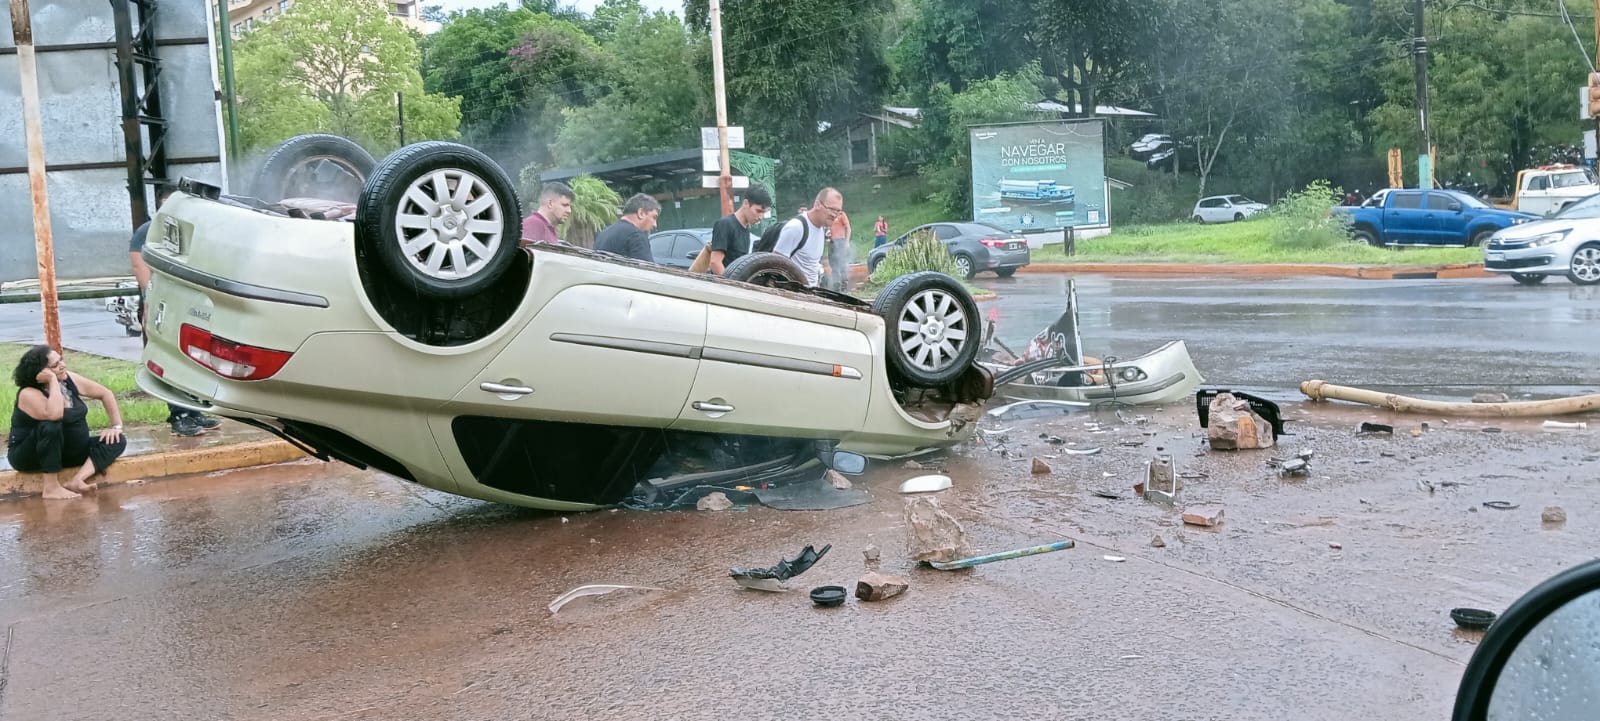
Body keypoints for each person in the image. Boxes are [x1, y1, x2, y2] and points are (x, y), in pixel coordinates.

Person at [129, 187, 219, 437]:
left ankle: (193, 410)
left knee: (193, 358)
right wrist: (151, 300)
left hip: (187, 306)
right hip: (162, 307)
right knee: (168, 359)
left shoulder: (192, 233)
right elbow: (138, 264)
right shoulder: (149, 231)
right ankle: (178, 415)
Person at [8, 345, 128, 500]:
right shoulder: (28, 394)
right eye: (55, 365)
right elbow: (55, 415)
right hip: (30, 456)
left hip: (68, 452)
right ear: (41, 373)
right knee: (50, 426)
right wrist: (52, 381)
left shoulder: (67, 378)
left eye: (61, 360)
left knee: (117, 440)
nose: (62, 366)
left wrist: (115, 427)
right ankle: (51, 488)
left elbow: (105, 393)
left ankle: (77, 480)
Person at [772, 188, 842, 287]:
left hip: (809, 295)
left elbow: (813, 267)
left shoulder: (822, 229)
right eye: (831, 209)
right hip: (792, 295)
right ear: (817, 205)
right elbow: (775, 264)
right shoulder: (796, 227)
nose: (834, 215)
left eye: (838, 211)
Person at [709, 185, 772, 275]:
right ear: (746, 203)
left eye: (763, 213)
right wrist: (731, 286)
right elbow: (715, 262)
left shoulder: (746, 229)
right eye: (758, 211)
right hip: (724, 286)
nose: (760, 217)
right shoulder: (725, 224)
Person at [593, 193, 662, 263]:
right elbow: (648, 271)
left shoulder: (604, 233)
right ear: (641, 213)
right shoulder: (636, 236)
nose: (655, 224)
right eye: (654, 217)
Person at [520, 182, 574, 246]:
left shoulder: (546, 227)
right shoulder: (533, 225)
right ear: (550, 203)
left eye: (570, 207)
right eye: (565, 205)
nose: (569, 211)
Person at [824, 206, 853, 292]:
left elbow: (848, 228)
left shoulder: (841, 215)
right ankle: (836, 285)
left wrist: (847, 242)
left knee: (842, 263)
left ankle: (844, 285)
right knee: (833, 264)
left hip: (840, 241)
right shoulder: (828, 217)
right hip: (831, 242)